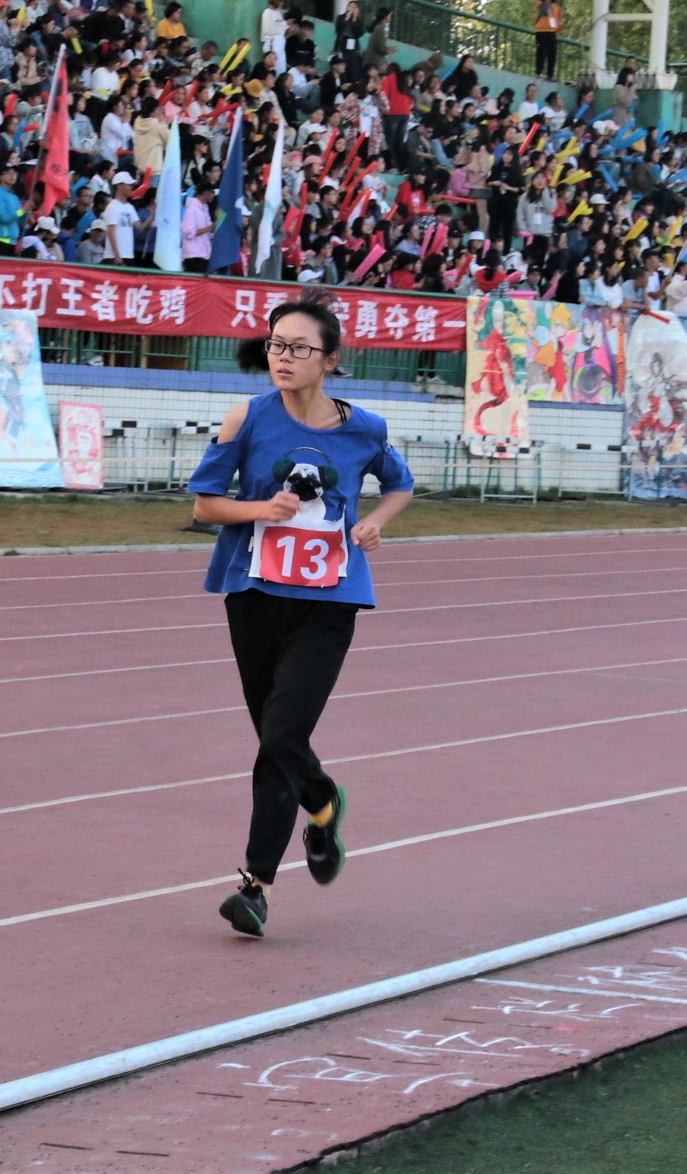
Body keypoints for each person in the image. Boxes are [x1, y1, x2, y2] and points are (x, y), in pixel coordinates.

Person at [187, 292, 415, 938]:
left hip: (328, 603)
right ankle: (304, 826)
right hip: (254, 595)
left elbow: (400, 483)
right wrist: (260, 510)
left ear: (330, 360)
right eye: (275, 345)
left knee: (284, 733)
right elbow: (204, 505)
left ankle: (269, 869)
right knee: (273, 740)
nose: (282, 358)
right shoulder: (248, 418)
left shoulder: (365, 428)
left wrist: (373, 522)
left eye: (298, 348)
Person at [533, 0, 561, 80]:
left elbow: (558, 19)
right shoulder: (539, 2)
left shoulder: (556, 6)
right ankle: (539, 72)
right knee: (541, 52)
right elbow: (543, 12)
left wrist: (557, 31)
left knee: (552, 53)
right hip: (542, 30)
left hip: (552, 31)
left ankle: (550, 74)